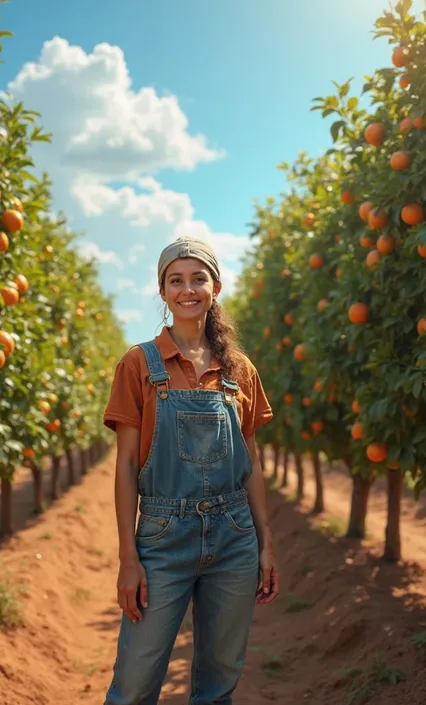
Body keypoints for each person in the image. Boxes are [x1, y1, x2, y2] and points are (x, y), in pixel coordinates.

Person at [102, 236, 279, 705]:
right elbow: (123, 465)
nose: (188, 289)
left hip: (234, 533)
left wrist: (266, 544)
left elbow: (252, 463)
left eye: (198, 278)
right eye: (175, 280)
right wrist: (128, 558)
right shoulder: (139, 363)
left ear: (215, 287)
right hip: (163, 535)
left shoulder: (238, 369)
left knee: (218, 684)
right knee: (135, 685)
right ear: (162, 292)